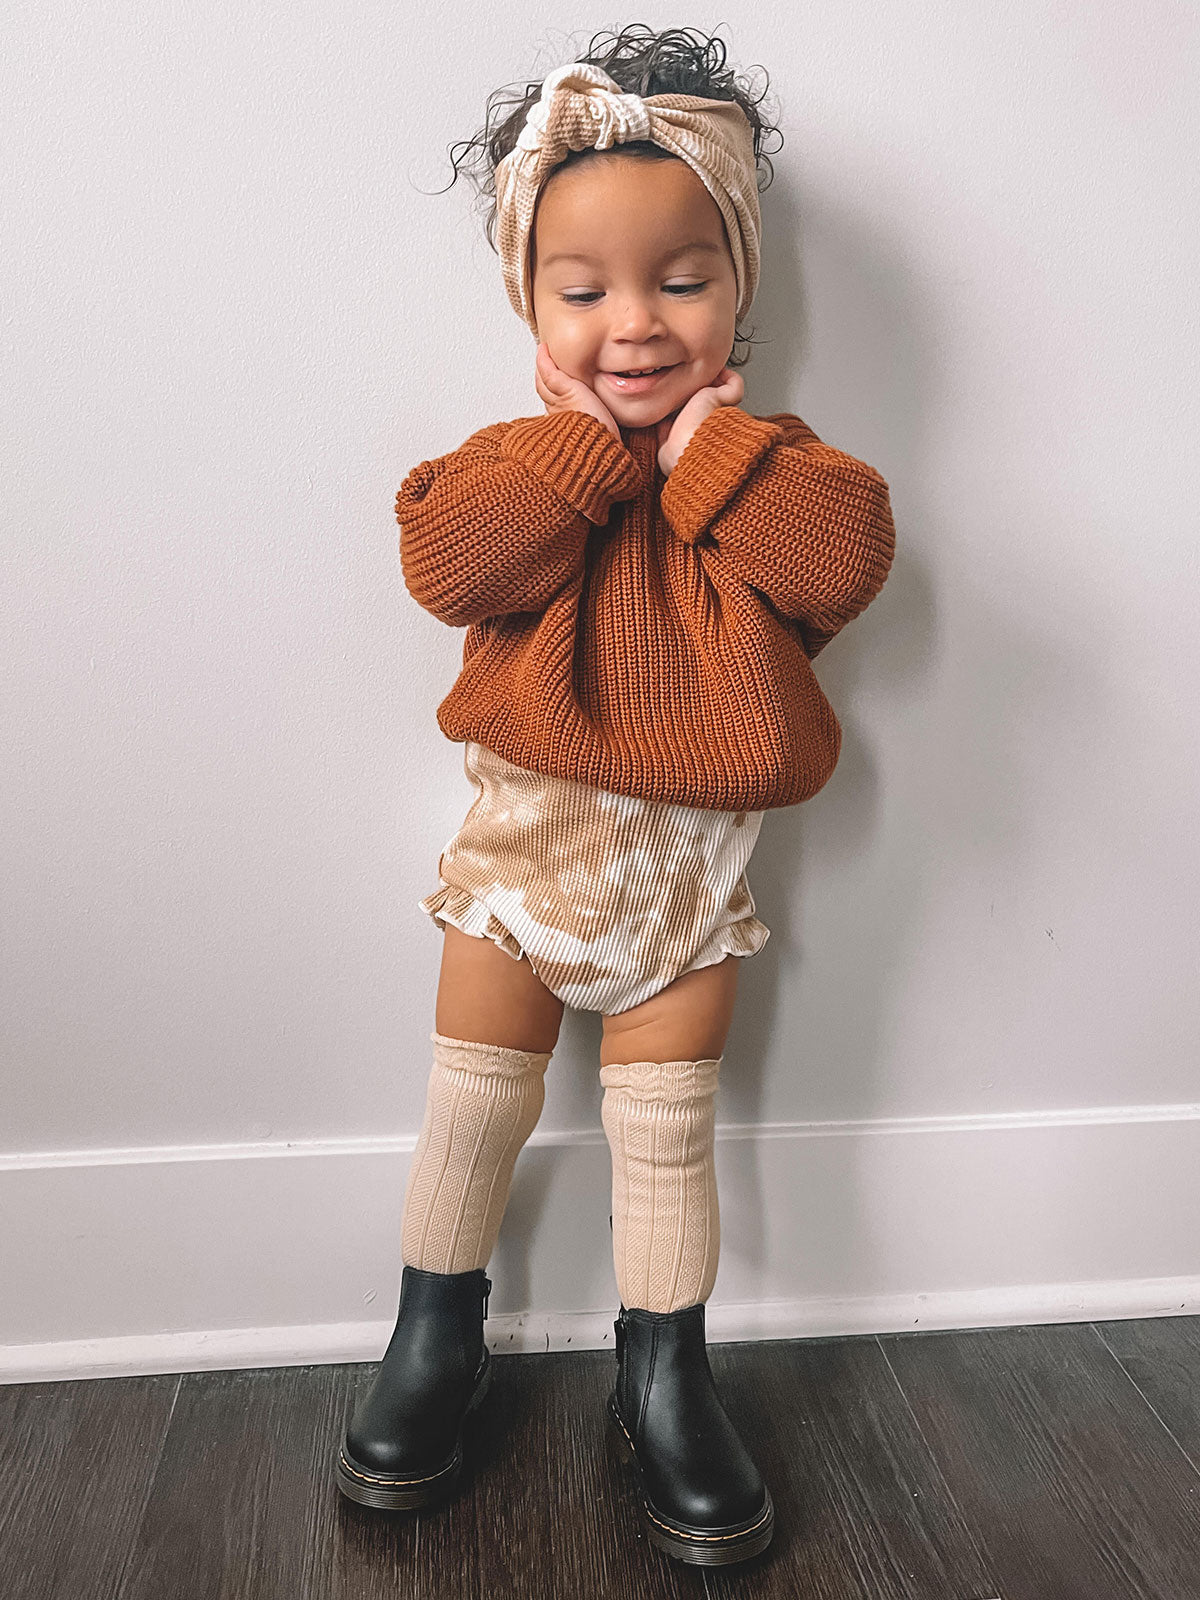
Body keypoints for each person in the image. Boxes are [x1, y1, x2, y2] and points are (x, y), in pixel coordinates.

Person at [334, 24, 895, 1568]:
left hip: (688, 881)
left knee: (665, 1135)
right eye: (582, 292)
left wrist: (708, 456)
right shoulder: (517, 465)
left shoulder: (776, 470)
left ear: (740, 291)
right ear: (530, 303)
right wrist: (584, 454)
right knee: (473, 1107)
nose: (634, 323)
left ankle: (665, 1375)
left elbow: (845, 563)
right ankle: (434, 1334)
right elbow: (449, 566)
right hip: (523, 861)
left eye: (681, 282)